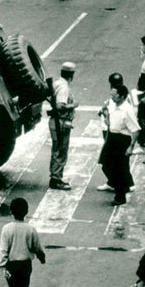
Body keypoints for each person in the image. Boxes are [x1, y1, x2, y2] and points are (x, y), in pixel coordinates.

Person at [0, 198, 45, 287]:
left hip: (11, 265)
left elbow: (3, 249)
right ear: (26, 212)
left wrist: (3, 266)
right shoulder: (30, 229)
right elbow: (37, 247)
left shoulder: (7, 228)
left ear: (11, 211)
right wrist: (42, 258)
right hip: (25, 265)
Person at [98, 84, 140, 206]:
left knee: (118, 169)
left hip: (122, 140)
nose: (112, 97)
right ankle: (121, 186)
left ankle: (120, 196)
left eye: (114, 95)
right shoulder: (113, 105)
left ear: (122, 96)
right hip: (111, 137)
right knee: (105, 165)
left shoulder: (127, 110)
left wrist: (131, 146)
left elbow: (136, 130)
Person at [48, 62, 78, 191]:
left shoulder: (57, 83)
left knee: (57, 149)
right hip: (60, 122)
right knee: (60, 151)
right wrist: (74, 105)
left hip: (56, 121)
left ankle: (55, 177)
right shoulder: (64, 87)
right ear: (71, 74)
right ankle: (56, 179)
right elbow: (60, 106)